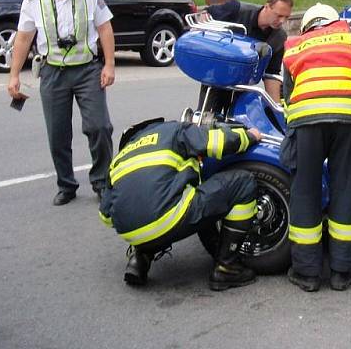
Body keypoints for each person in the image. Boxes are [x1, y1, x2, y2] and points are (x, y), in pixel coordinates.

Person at [99, 117, 262, 290]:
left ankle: (140, 258)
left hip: (132, 233)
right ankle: (227, 267)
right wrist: (250, 136)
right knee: (242, 183)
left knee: (144, 206)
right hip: (168, 218)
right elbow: (216, 142)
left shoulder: (118, 160)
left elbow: (106, 217)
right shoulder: (172, 130)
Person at [7, 0, 115, 206]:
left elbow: (105, 27)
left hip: (88, 70)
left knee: (99, 126)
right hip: (53, 72)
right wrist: (14, 76)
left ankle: (102, 183)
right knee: (58, 133)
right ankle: (66, 184)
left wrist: (109, 64)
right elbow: (23, 38)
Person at [281, 3, 351, 292]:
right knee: (345, 189)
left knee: (305, 190)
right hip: (350, 117)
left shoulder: (294, 45)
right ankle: (341, 272)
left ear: (307, 26)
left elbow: (288, 97)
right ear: (336, 21)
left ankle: (307, 273)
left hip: (307, 119)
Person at [202, 0, 293, 101]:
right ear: (267, 6)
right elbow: (206, 15)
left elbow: (271, 73)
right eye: (279, 15)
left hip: (244, 83)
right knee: (208, 115)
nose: (282, 21)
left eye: (286, 17)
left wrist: (276, 109)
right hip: (217, 77)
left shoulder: (279, 37)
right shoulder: (237, 10)